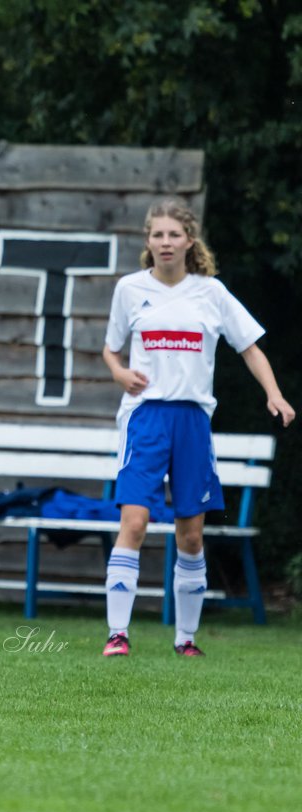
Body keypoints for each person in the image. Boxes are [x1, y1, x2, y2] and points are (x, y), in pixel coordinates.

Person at [100, 197, 294, 658]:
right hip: (145, 418)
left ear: (190, 240)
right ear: (148, 241)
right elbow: (110, 350)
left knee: (191, 533)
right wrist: (119, 372)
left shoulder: (212, 292)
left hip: (192, 421)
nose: (166, 242)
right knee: (136, 521)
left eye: (174, 234)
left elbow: (250, 347)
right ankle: (117, 634)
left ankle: (186, 640)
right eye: (158, 234)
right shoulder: (130, 289)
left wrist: (274, 393)